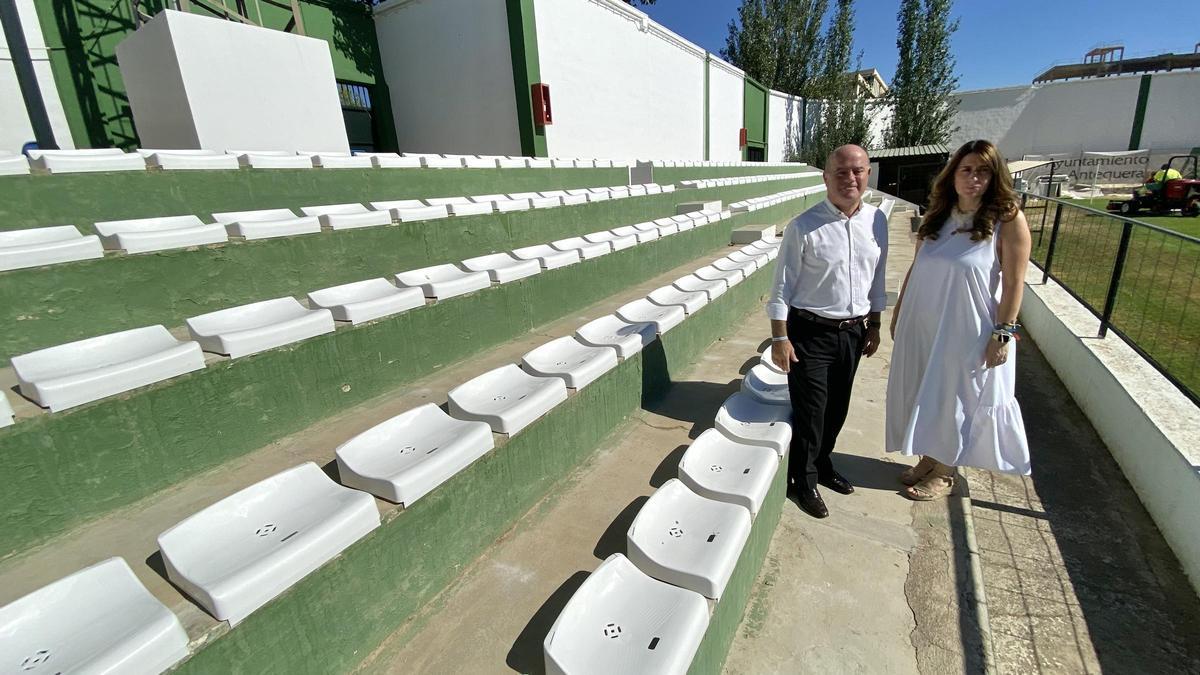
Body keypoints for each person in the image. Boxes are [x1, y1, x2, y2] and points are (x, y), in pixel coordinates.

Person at [885, 139, 1032, 501]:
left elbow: (1015, 282)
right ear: (953, 175)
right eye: (966, 170)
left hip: (967, 327)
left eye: (983, 171)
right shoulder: (939, 214)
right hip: (924, 322)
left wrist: (1003, 332)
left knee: (956, 396)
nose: (973, 178)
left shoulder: (1007, 219)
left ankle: (946, 471)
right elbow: (916, 268)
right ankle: (929, 458)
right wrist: (901, 311)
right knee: (926, 389)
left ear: (994, 176)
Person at [767, 144, 888, 519]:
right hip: (810, 333)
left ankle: (821, 464)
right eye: (842, 172)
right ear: (826, 177)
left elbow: (877, 276)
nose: (851, 178)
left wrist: (876, 322)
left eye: (858, 171)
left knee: (838, 407)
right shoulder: (804, 226)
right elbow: (782, 286)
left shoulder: (877, 221)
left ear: (868, 174)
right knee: (812, 411)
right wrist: (779, 337)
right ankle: (801, 481)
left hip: (854, 332)